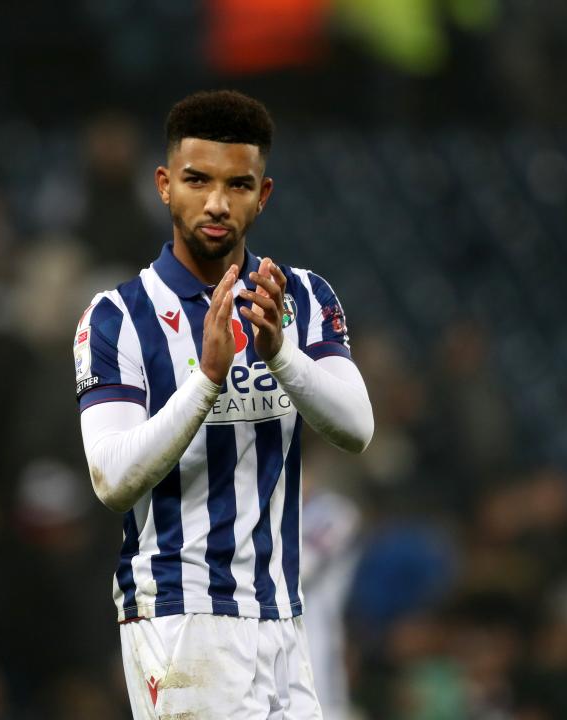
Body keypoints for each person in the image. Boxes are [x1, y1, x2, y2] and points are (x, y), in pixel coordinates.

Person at [75, 89, 374, 719]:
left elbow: (357, 429)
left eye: (238, 185)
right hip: (183, 617)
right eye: (196, 180)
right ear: (163, 185)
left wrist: (282, 357)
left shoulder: (302, 297)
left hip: (282, 615)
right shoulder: (116, 317)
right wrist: (206, 380)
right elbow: (111, 479)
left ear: (262, 195)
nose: (216, 203)